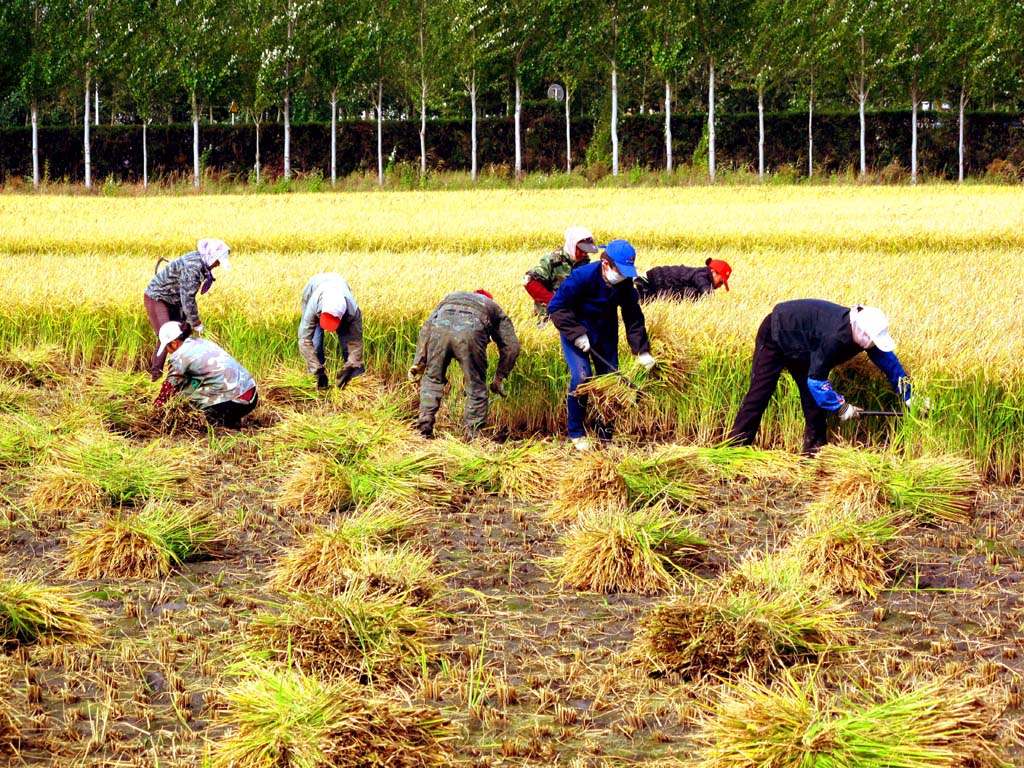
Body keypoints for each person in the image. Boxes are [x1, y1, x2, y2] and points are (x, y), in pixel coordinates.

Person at [727, 300, 916, 455]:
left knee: (812, 402)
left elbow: (890, 364)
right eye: (873, 340)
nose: (874, 344)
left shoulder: (866, 334)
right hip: (777, 332)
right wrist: (840, 407)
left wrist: (910, 397)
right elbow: (817, 380)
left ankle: (813, 453)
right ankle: (734, 450)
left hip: (805, 344)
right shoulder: (835, 338)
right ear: (860, 331)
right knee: (760, 394)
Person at [547, 239, 656, 451]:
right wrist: (577, 335)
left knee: (611, 381)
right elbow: (556, 308)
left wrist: (642, 351)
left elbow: (633, 316)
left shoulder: (624, 284)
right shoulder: (582, 277)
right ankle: (576, 433)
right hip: (575, 331)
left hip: (605, 333)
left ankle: (605, 435)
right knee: (582, 376)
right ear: (606, 264)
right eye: (620, 270)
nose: (623, 275)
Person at [409, 290, 520, 439]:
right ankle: (472, 436)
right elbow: (512, 347)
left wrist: (419, 362)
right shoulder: (493, 307)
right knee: (476, 387)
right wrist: (499, 377)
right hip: (470, 336)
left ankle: (424, 427)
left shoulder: (450, 297)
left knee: (432, 379)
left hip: (439, 331)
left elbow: (426, 328)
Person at [144, 238, 231, 381]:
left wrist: (189, 323)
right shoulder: (193, 266)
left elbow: (185, 297)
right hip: (157, 297)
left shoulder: (202, 263)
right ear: (211, 256)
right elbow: (188, 298)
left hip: (174, 300)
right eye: (217, 261)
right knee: (168, 336)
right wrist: (196, 323)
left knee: (181, 335)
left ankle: (180, 377)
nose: (217, 265)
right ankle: (156, 378)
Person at [153, 321, 258, 429]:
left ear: (174, 343)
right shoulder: (201, 342)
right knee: (189, 393)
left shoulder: (179, 357)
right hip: (251, 393)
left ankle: (221, 426)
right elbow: (199, 380)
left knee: (192, 402)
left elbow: (169, 387)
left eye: (166, 347)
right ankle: (231, 420)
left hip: (233, 403)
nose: (168, 351)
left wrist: (157, 410)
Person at [298, 273, 365, 389]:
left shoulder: (352, 311)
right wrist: (317, 370)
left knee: (347, 345)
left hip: (340, 285)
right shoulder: (313, 304)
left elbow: (355, 341)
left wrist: (351, 365)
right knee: (315, 344)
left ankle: (353, 379)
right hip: (315, 287)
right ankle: (316, 381)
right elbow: (304, 339)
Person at [523, 226, 599, 325]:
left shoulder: (584, 262)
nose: (585, 254)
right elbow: (528, 280)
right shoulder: (552, 260)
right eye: (581, 250)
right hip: (549, 317)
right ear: (572, 245)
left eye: (586, 251)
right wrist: (554, 301)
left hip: (574, 318)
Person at [634, 258, 732, 302]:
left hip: (654, 281)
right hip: (652, 281)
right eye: (721, 282)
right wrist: (713, 303)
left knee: (693, 295)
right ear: (713, 272)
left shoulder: (700, 274)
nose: (720, 286)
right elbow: (706, 292)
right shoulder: (702, 275)